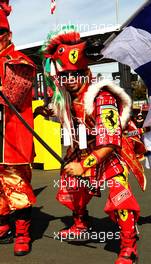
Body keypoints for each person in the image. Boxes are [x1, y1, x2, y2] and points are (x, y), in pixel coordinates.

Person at [41, 25, 147, 264]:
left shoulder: (103, 97)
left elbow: (110, 141)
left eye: (74, 76)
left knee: (120, 192)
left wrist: (84, 165)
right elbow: (65, 113)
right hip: (84, 146)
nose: (69, 81)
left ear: (85, 73)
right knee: (70, 179)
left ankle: (129, 243)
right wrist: (45, 109)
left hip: (111, 150)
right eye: (65, 77)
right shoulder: (69, 97)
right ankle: (81, 223)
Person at [0, 0, 36, 256]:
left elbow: (12, 96)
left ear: (8, 35)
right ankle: (3, 225)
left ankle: (23, 233)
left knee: (17, 186)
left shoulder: (20, 61)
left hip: (12, 140)